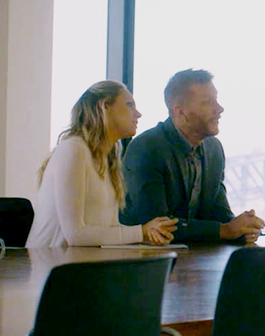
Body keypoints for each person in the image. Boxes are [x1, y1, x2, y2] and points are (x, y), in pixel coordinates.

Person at [26, 81, 178, 247]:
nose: (138, 114)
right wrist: (141, 232)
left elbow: (108, 230)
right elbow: (75, 235)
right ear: (105, 106)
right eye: (129, 105)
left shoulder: (109, 157)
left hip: (83, 265)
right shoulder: (74, 150)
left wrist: (148, 236)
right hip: (52, 268)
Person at [120, 69, 265, 243]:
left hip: (194, 258)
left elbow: (218, 212)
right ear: (180, 112)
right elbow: (159, 226)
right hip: (144, 262)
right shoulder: (146, 148)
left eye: (216, 100)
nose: (219, 109)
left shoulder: (214, 149)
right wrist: (226, 230)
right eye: (208, 102)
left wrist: (243, 227)